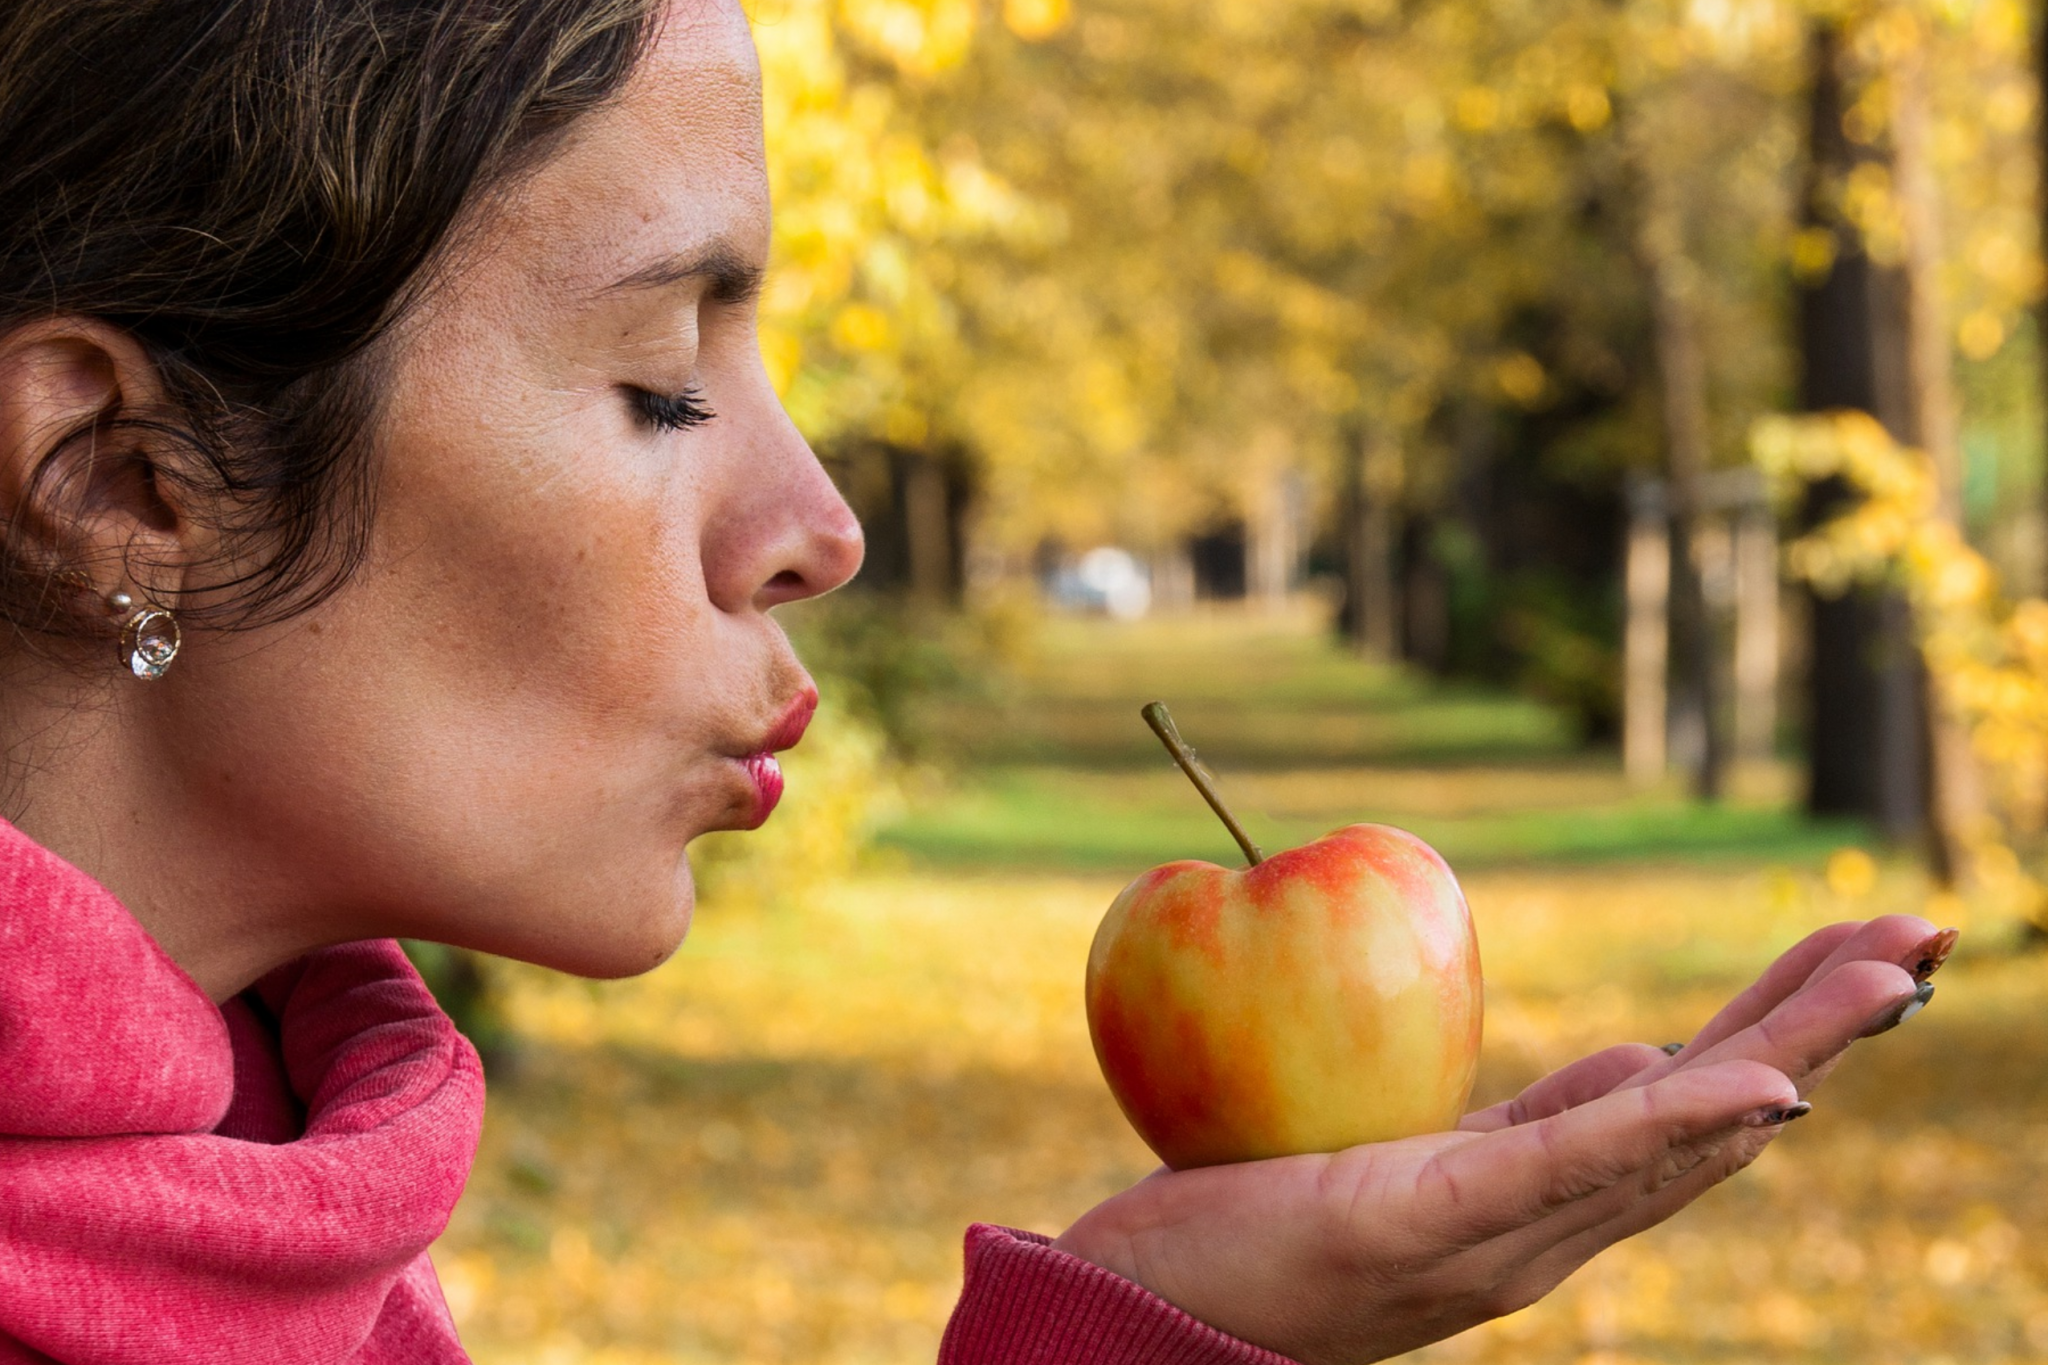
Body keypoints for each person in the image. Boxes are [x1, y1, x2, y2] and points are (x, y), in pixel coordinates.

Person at [0, 2, 1951, 1362]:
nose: (817, 523)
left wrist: (1159, 1335)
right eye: (662, 378)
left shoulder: (271, 1175)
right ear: (121, 477)